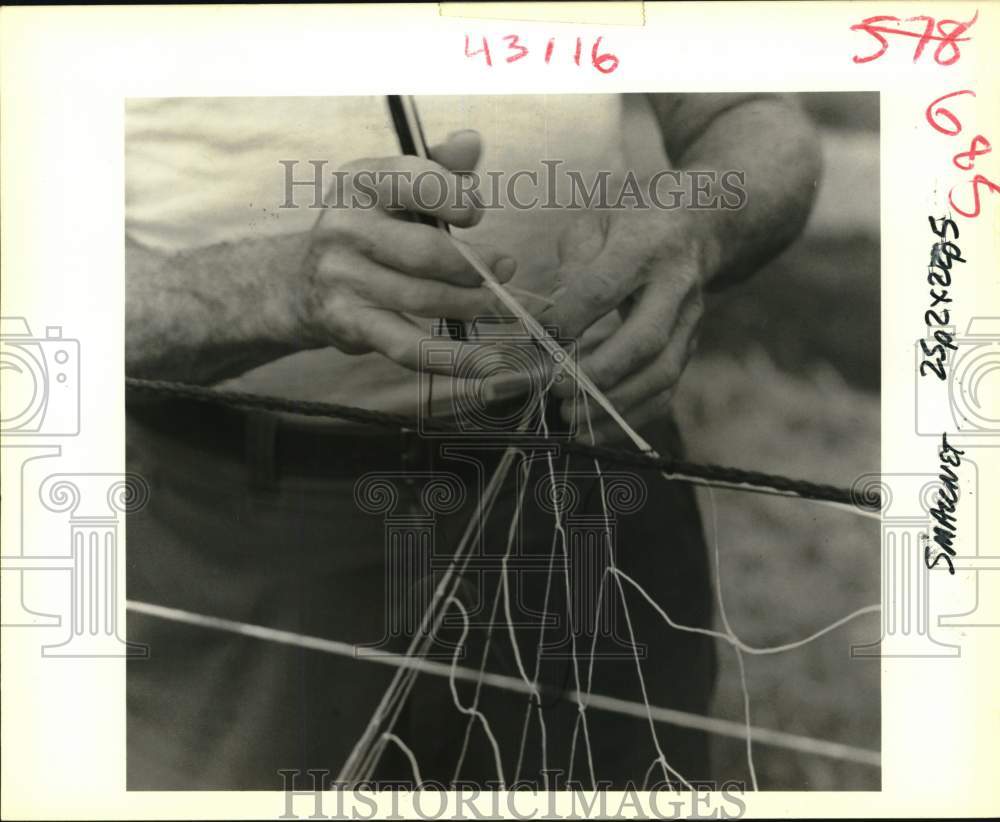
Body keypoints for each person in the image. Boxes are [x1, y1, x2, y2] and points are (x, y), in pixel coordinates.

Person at [124, 93, 820, 789]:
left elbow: (757, 120)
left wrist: (699, 224)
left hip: (593, 485)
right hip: (250, 528)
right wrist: (277, 289)